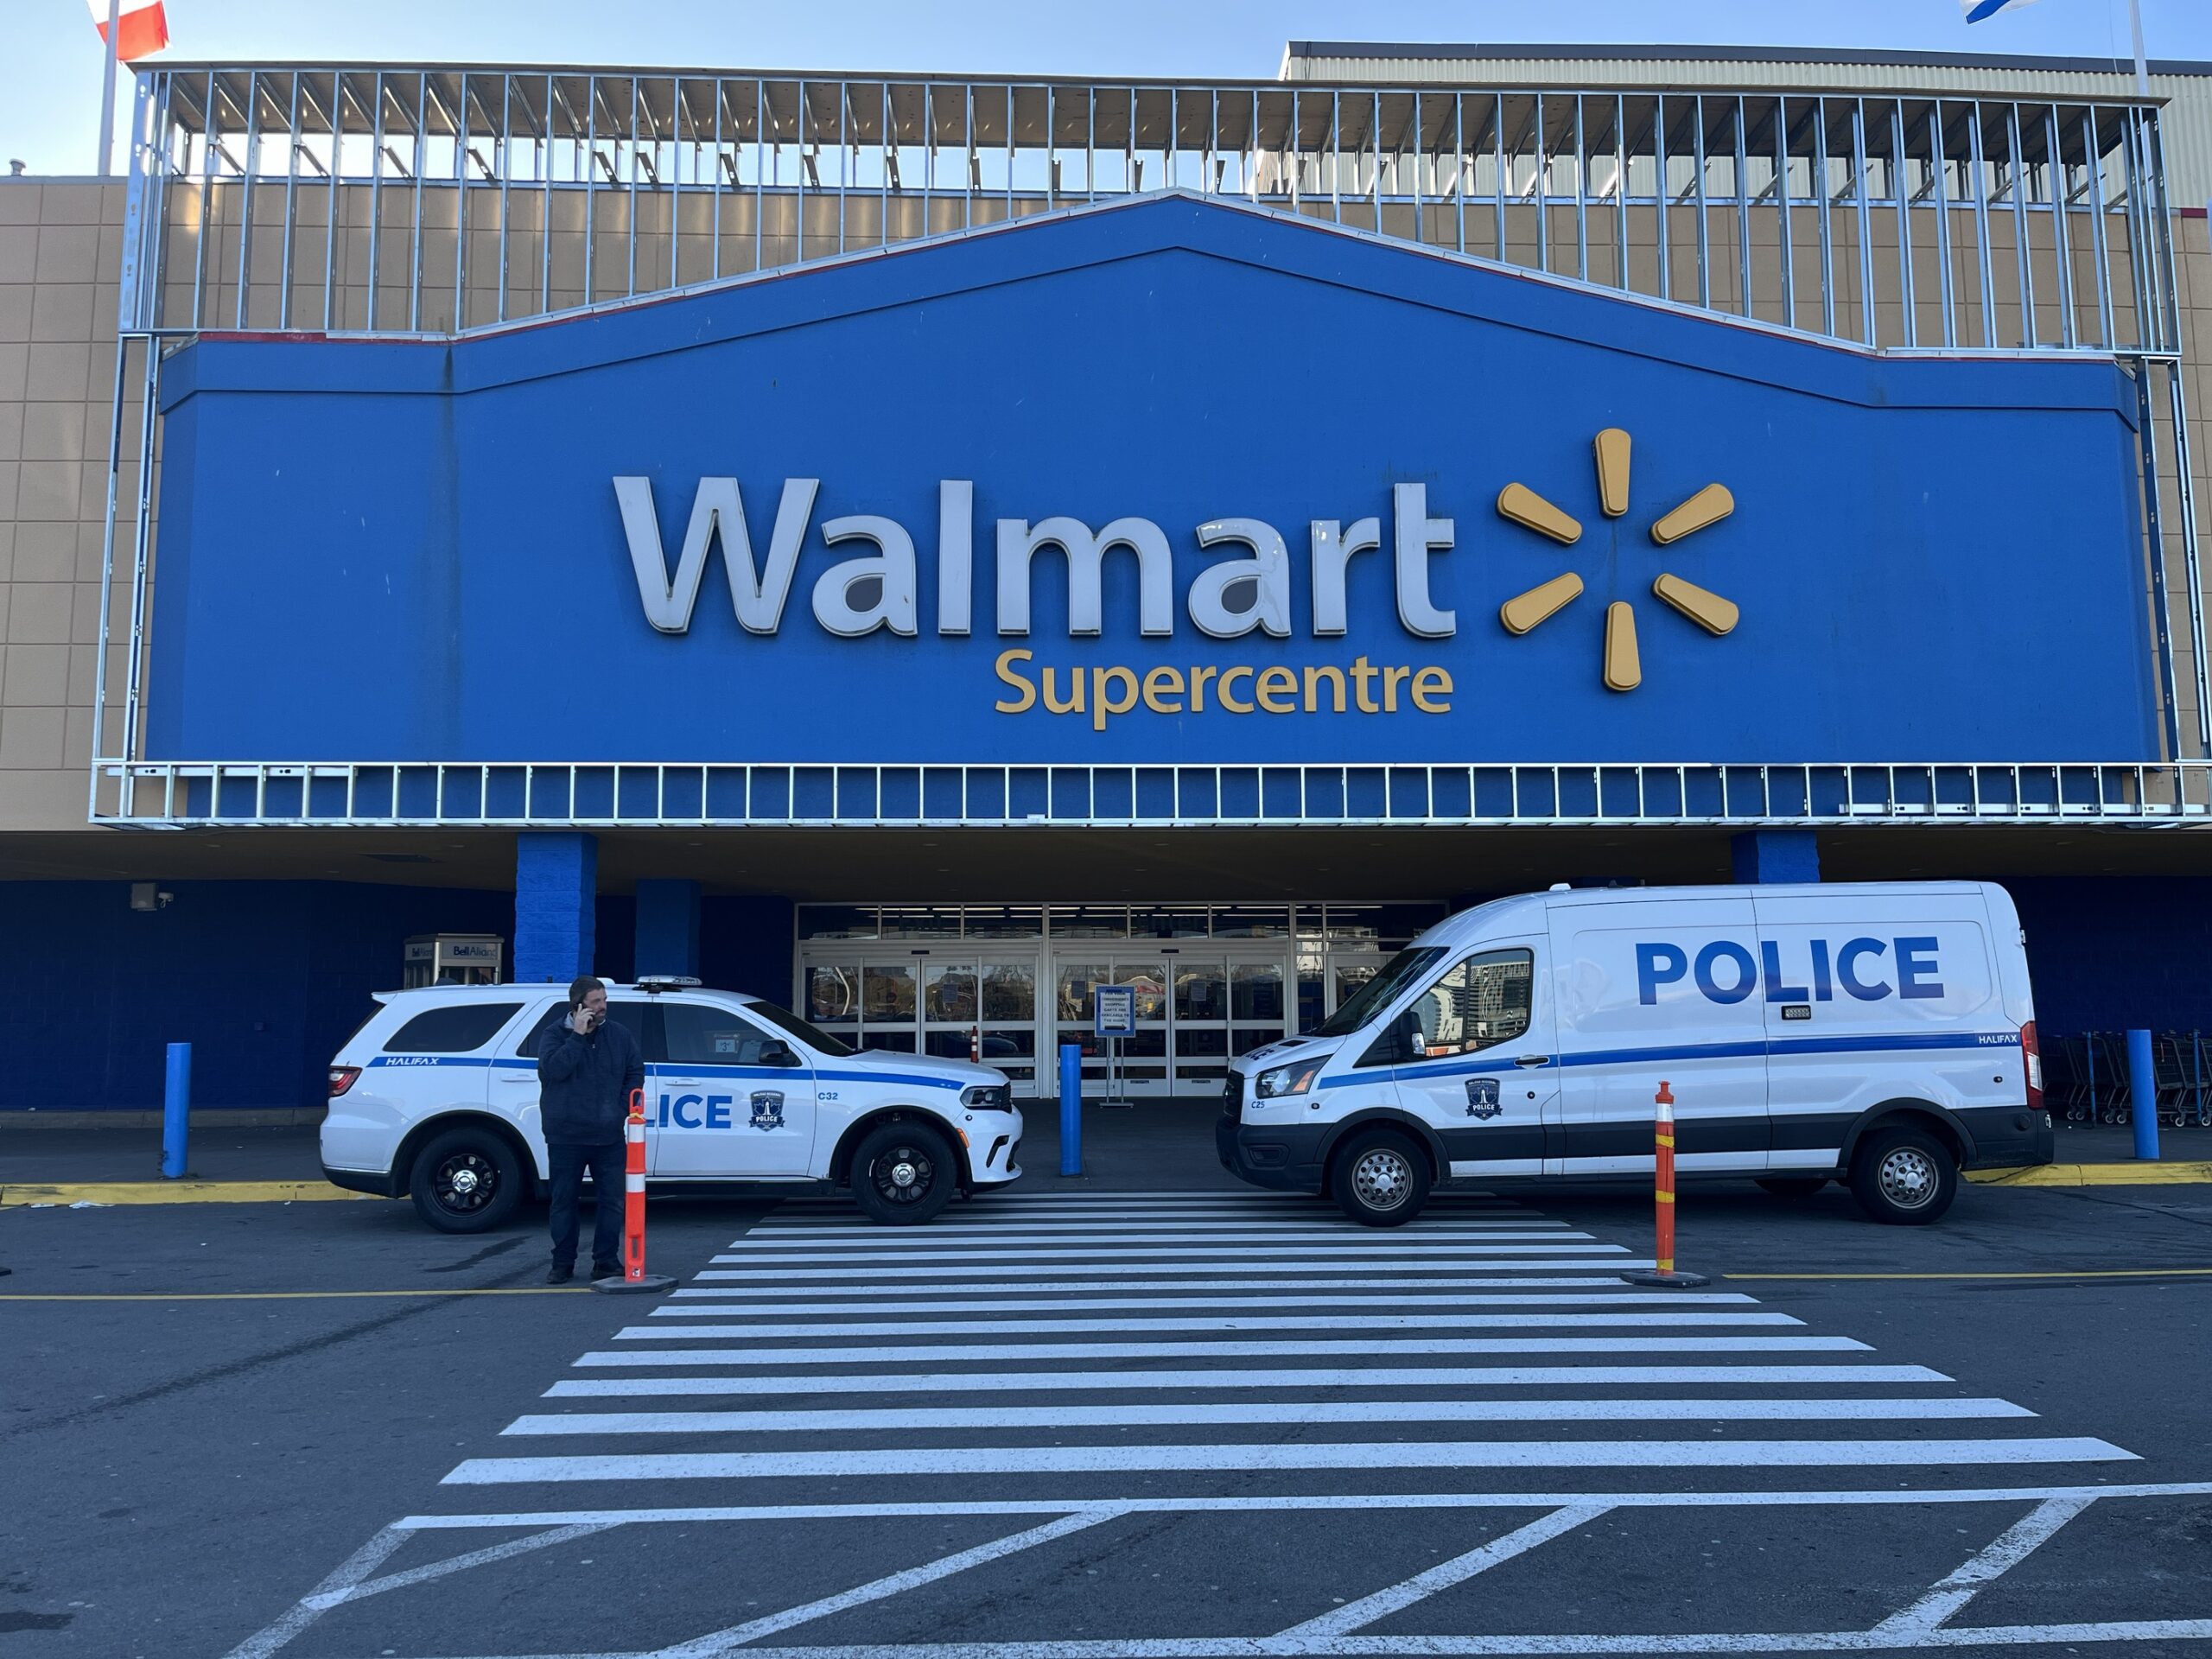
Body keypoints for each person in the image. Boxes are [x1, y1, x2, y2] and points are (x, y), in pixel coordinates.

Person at [537, 975, 645, 1284]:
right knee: (564, 1201)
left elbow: (635, 1072)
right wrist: (578, 1037)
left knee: (613, 1200)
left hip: (607, 1135)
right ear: (578, 1005)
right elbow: (554, 1071)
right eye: (597, 1001)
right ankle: (562, 1263)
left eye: (604, 1000)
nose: (603, 1007)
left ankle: (606, 1260)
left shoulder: (619, 1036)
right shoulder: (554, 1035)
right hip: (565, 1135)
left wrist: (620, 1108)